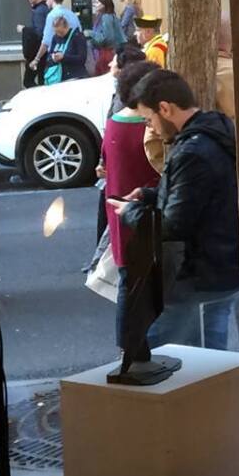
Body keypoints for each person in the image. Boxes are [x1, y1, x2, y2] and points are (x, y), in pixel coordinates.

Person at [118, 69, 239, 349]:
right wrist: (150, 194)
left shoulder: (192, 152)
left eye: (149, 119)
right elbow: (204, 194)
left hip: (200, 272)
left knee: (168, 350)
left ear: (165, 109)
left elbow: (173, 226)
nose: (151, 128)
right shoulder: (219, 130)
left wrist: (130, 212)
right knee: (213, 351)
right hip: (226, 264)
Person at [100, 57, 160, 345]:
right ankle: (134, 348)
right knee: (145, 287)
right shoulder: (150, 127)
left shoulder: (113, 122)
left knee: (129, 281)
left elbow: (104, 163)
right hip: (145, 213)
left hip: (118, 211)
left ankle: (129, 348)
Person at [41, 11, 87, 84]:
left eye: (61, 32)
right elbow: (49, 56)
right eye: (56, 32)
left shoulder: (77, 37)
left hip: (75, 76)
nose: (59, 35)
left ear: (67, 27)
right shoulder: (55, 37)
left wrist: (64, 57)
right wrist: (53, 58)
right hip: (59, 77)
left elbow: (82, 58)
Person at [19, 0, 50, 88]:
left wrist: (24, 29)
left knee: (28, 81)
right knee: (41, 79)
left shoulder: (39, 11)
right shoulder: (42, 9)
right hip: (41, 52)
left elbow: (39, 33)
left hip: (38, 52)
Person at [88, 0, 126, 76]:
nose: (94, 4)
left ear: (104, 5)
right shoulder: (110, 16)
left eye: (97, 2)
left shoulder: (106, 17)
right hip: (114, 50)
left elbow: (108, 38)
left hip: (109, 52)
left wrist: (90, 33)